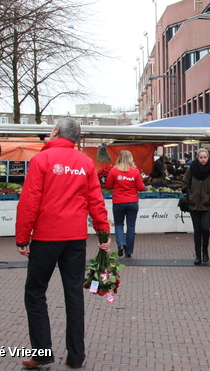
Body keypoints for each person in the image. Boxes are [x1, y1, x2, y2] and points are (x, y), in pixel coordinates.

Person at [15, 118, 111, 370]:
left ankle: (42, 352)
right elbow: (95, 200)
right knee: (73, 294)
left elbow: (29, 201)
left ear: (56, 131)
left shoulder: (41, 160)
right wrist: (103, 233)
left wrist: (22, 237)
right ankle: (76, 355)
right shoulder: (85, 162)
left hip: (47, 237)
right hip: (75, 238)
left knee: (35, 292)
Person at [181, 148, 210, 265]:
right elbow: (185, 182)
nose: (203, 160)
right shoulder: (192, 169)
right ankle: (198, 254)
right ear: (197, 158)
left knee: (205, 227)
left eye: (205, 157)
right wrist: (190, 194)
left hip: (207, 204)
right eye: (201, 157)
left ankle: (205, 251)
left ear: (208, 157)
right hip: (194, 203)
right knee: (197, 230)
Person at [105, 150, 146, 259]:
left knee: (118, 224)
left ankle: (121, 243)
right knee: (131, 226)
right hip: (132, 201)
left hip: (118, 201)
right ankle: (129, 251)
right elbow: (141, 187)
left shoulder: (114, 171)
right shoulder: (135, 171)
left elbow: (108, 185)